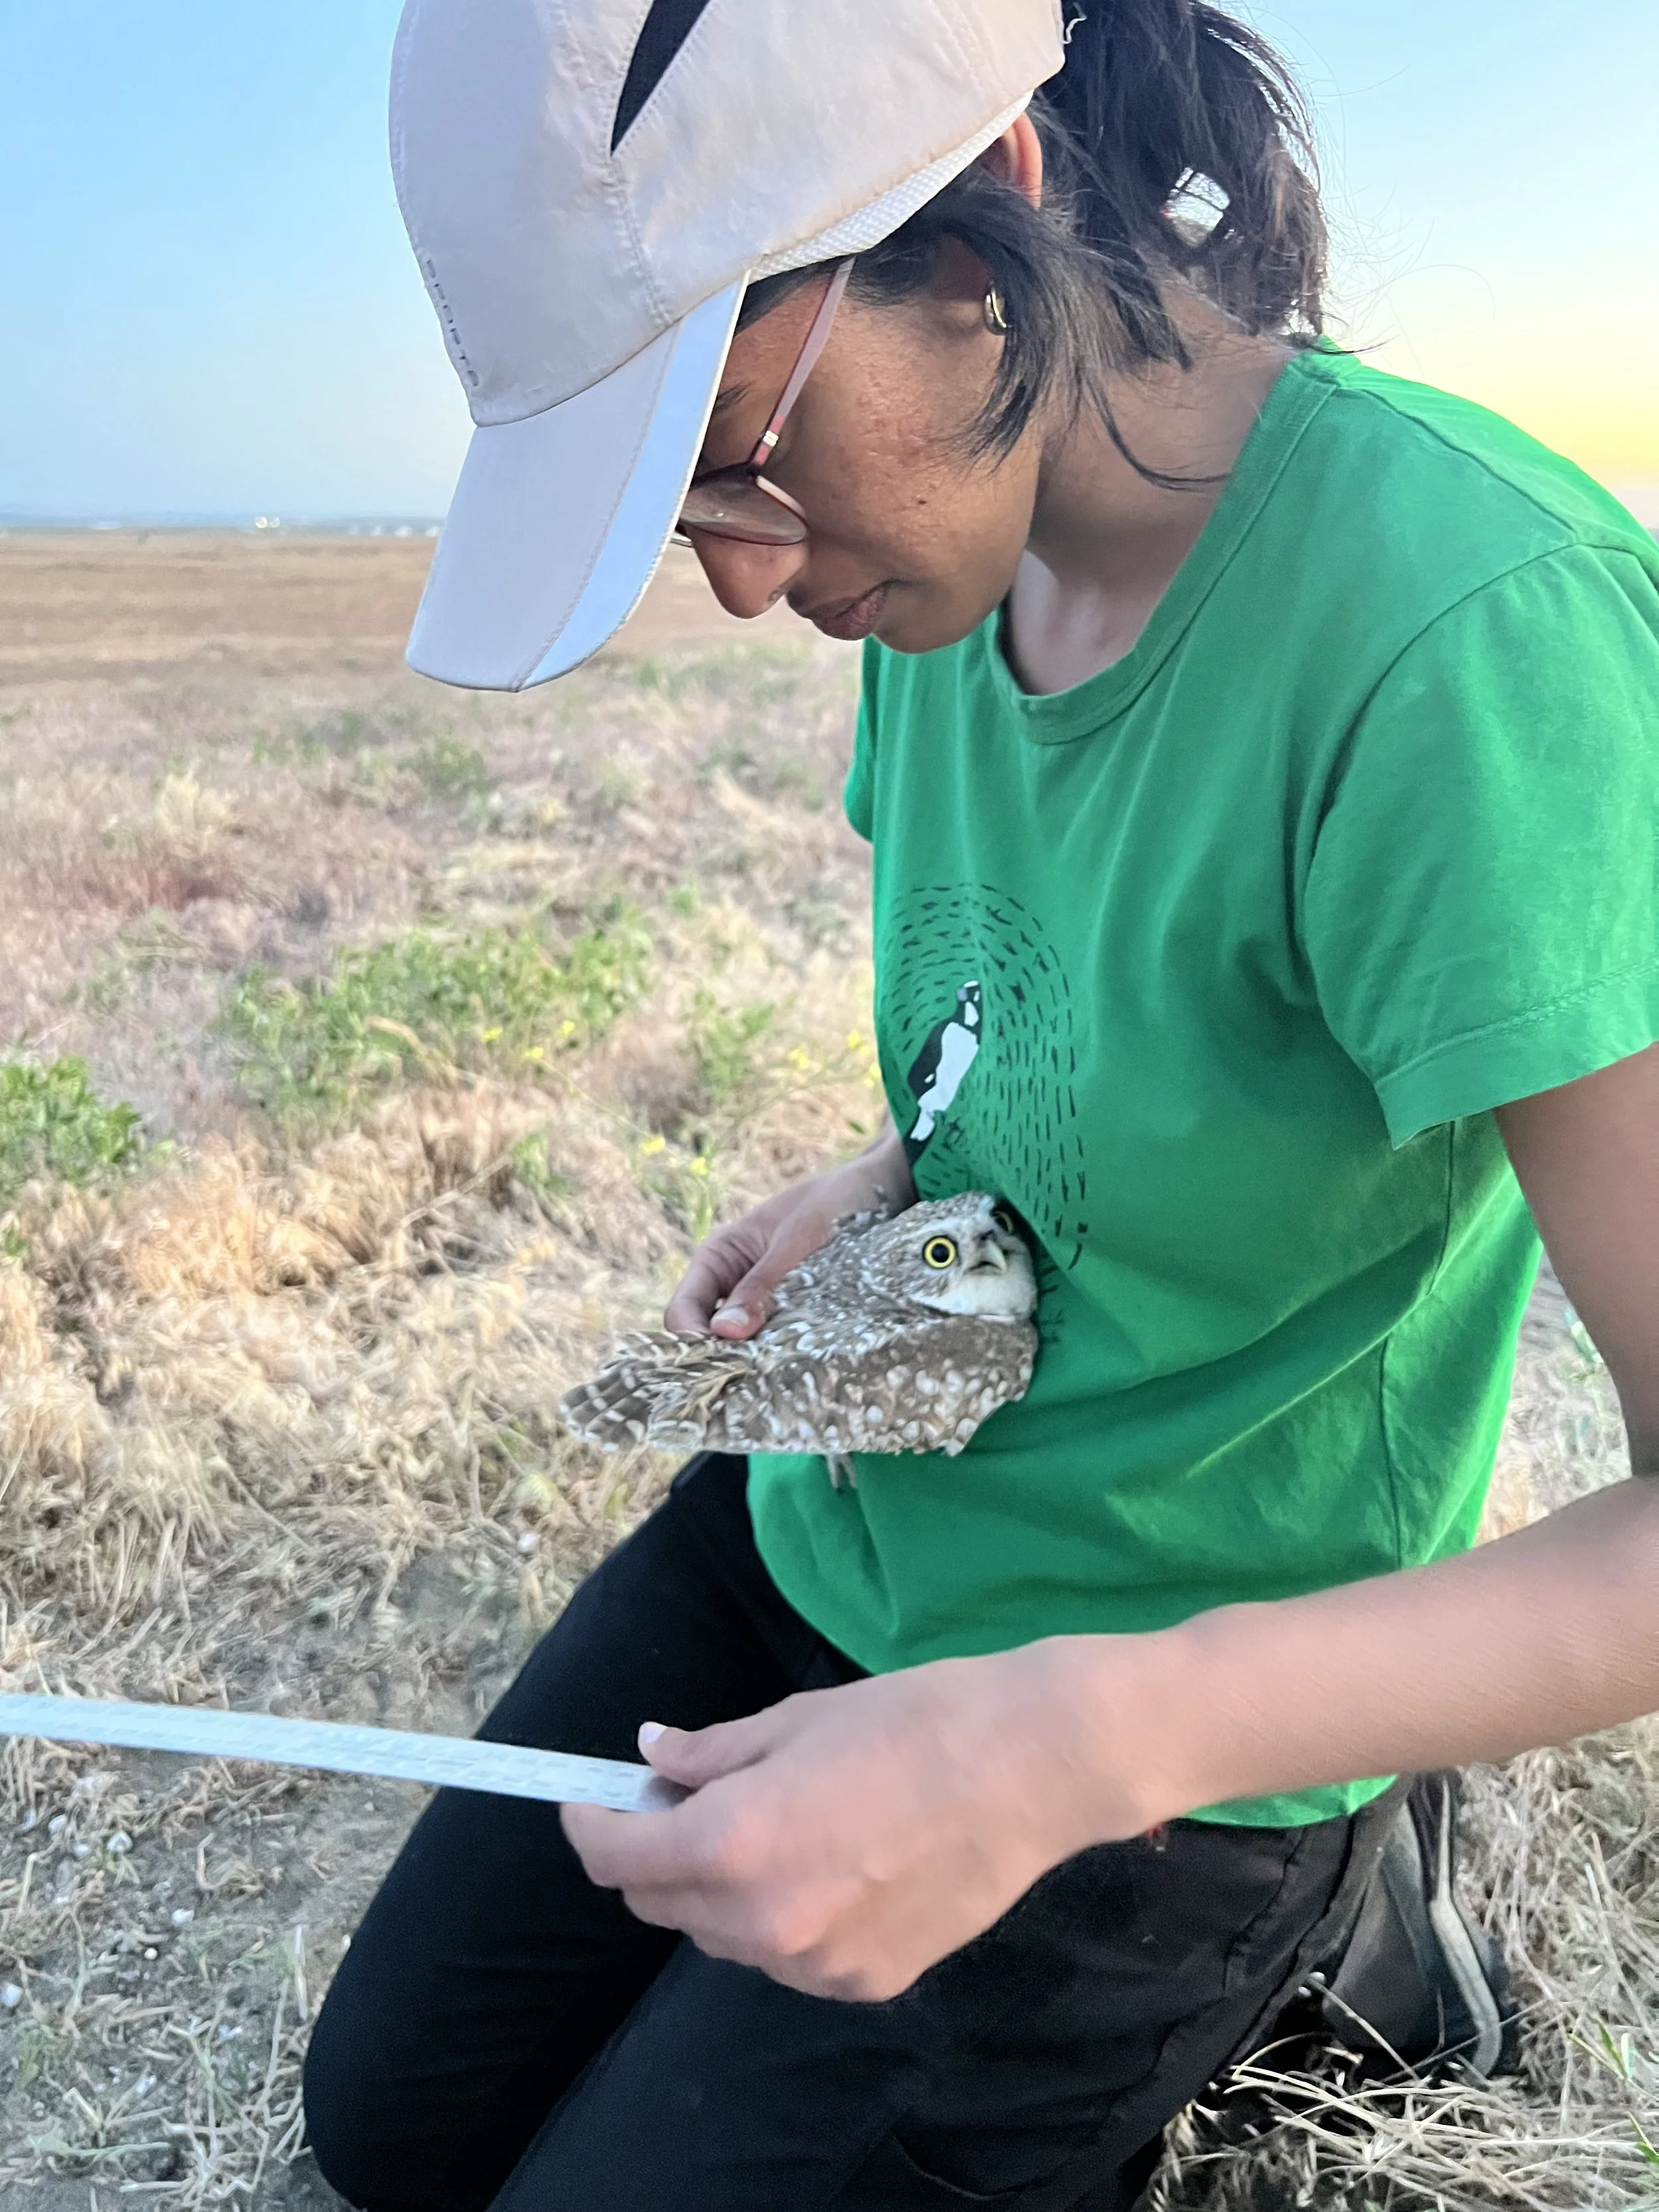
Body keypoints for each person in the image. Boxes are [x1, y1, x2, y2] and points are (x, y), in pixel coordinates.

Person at [304, 1, 1659, 2205]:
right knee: (390, 2129)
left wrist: (1069, 1743)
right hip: (837, 1528)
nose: (743, 571)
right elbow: (1069, 1037)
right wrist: (880, 1171)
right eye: (674, 508)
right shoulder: (938, 585)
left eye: (739, 445)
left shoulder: (1465, 633)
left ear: (985, 228)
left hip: (1151, 1704)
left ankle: (1336, 1918)